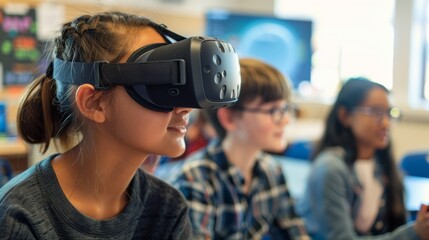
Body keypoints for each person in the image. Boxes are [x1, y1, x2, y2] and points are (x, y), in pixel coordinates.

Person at [0, 11, 241, 239]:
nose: (185, 108)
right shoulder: (20, 214)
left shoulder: (167, 208)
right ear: (94, 103)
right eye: (161, 87)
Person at [171, 58, 309, 239]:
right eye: (273, 110)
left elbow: (295, 232)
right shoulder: (196, 179)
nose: (285, 120)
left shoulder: (271, 170)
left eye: (285, 108)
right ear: (229, 118)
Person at [297, 77, 429, 240]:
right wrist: (414, 233)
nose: (386, 123)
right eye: (376, 112)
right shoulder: (330, 168)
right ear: (345, 115)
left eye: (390, 113)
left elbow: (393, 228)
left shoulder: (383, 166)